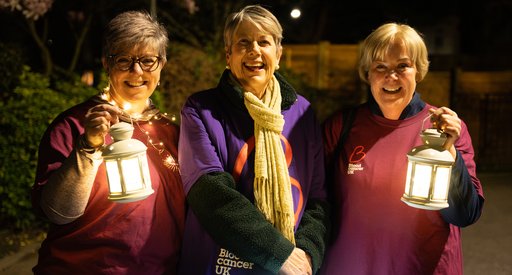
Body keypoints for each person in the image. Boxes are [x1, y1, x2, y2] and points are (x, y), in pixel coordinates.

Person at [321, 22, 484, 275]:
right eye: (380, 67)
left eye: (402, 66)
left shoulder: (443, 128)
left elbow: (465, 214)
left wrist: (450, 154)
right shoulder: (342, 127)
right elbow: (315, 202)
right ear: (367, 72)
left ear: (418, 70)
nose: (391, 76)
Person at [177, 5, 330, 275]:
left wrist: (307, 255)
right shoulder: (201, 110)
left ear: (278, 54)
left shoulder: (302, 112)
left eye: (264, 42)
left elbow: (317, 199)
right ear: (228, 55)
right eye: (243, 43)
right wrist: (280, 256)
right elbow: (210, 195)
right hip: (220, 266)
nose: (254, 51)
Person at [31, 11, 186, 274]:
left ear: (162, 64)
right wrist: (88, 146)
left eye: (148, 60)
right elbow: (58, 212)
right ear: (106, 63)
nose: (136, 71)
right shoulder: (74, 125)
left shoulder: (173, 134)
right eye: (124, 60)